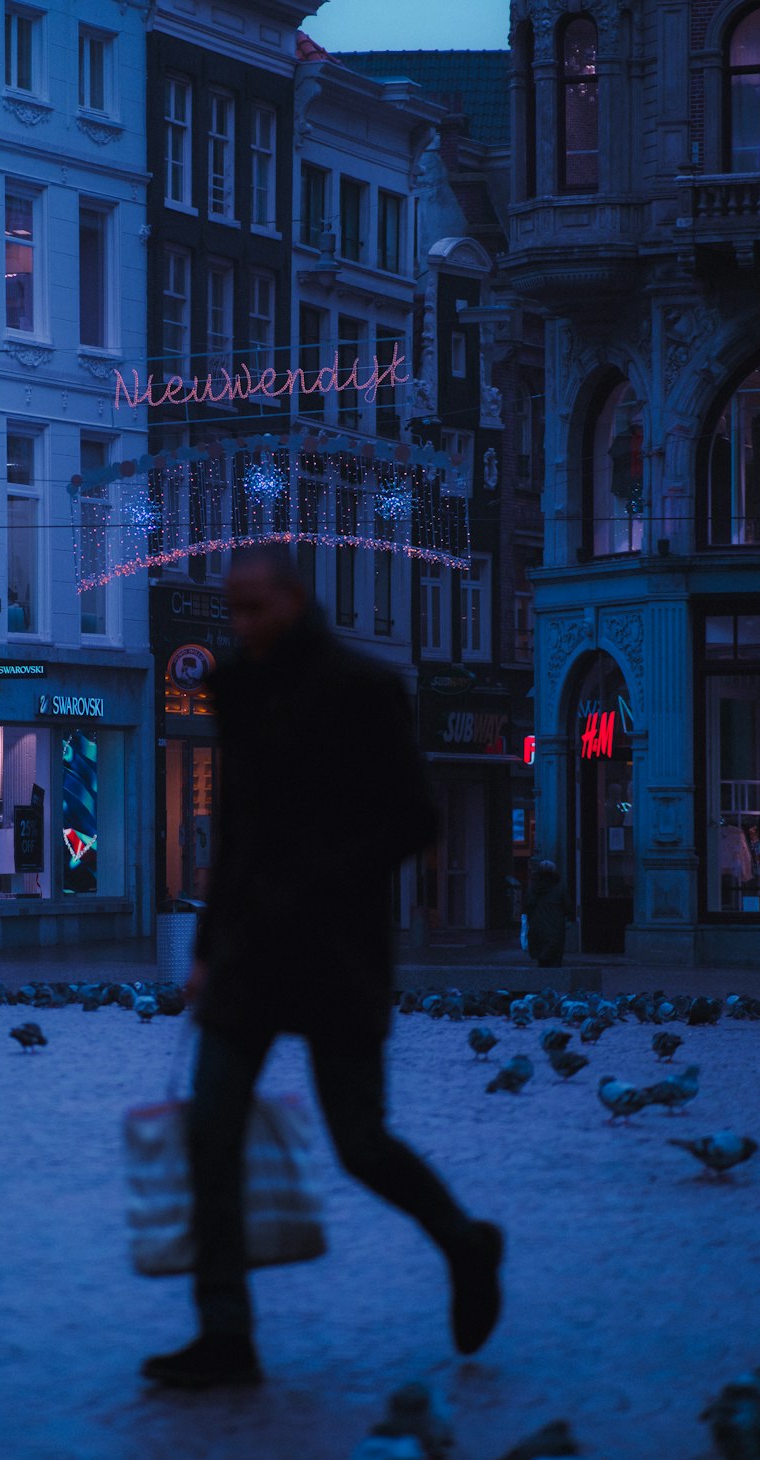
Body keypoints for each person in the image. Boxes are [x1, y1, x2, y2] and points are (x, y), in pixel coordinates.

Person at [140, 544, 504, 1391]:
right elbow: (234, 833)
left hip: (335, 949)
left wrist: (320, 874)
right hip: (249, 954)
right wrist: (204, 948)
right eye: (231, 609)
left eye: (254, 608)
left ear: (296, 601)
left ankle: (465, 1241)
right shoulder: (237, 689)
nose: (240, 625)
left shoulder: (364, 689)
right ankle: (226, 1333)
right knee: (210, 1132)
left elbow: (414, 819)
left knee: (360, 1143)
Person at [524, 859, 571, 967]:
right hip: (555, 926)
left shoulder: (532, 887)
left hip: (537, 926)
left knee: (541, 959)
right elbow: (568, 907)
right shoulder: (559, 887)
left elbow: (527, 906)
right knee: (555, 958)